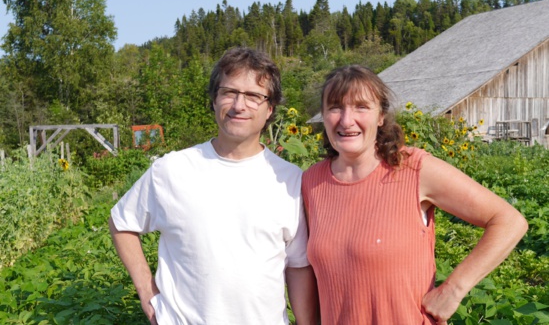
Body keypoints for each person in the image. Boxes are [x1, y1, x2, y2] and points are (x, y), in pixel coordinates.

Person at [301, 65, 528, 324]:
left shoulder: (413, 169)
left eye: (361, 107)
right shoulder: (312, 181)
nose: (346, 120)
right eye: (335, 107)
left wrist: (453, 290)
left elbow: (508, 221)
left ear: (381, 117)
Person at [109, 47, 318, 325]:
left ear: (269, 109)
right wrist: (146, 290)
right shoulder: (171, 170)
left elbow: (298, 267)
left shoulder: (290, 179)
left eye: (254, 96)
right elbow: (121, 222)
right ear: (214, 99)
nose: (239, 105)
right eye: (229, 92)